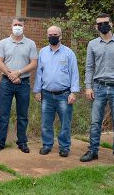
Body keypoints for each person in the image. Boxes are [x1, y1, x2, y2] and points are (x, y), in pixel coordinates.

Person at [80, 13, 114, 166]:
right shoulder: (92, 44)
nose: (102, 25)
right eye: (99, 23)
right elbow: (89, 67)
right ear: (96, 26)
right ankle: (93, 151)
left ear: (111, 24)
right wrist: (88, 87)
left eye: (105, 22)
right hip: (98, 88)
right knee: (95, 122)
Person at [0, 17, 38, 154]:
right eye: (15, 24)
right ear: (11, 26)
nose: (17, 27)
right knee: (3, 115)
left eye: (20, 25)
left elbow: (34, 63)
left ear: (24, 27)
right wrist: (11, 75)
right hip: (6, 82)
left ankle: (22, 142)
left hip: (23, 83)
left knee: (22, 115)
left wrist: (18, 73)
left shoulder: (31, 43)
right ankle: (0, 142)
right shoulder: (3, 43)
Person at [33, 26, 80, 157]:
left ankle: (64, 147)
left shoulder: (69, 53)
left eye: (55, 34)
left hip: (64, 95)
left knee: (65, 123)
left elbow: (74, 73)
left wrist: (74, 92)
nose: (53, 36)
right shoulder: (42, 52)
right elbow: (39, 73)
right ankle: (47, 145)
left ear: (60, 36)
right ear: (47, 36)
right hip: (46, 94)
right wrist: (37, 91)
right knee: (46, 123)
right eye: (50, 34)